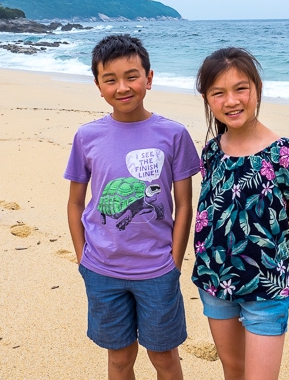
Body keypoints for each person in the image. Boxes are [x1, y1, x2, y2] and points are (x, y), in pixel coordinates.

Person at [65, 34, 200, 380]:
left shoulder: (173, 134)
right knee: (120, 358)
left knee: (164, 357)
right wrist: (83, 257)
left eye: (132, 76)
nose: (122, 87)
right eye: (110, 79)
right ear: (98, 85)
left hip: (157, 269)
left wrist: (174, 258)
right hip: (102, 268)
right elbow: (76, 202)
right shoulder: (87, 136)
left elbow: (184, 203)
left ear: (149, 78)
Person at [192, 47, 289, 380]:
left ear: (257, 91)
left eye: (240, 89)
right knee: (233, 369)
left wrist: (277, 269)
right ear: (207, 99)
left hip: (267, 291)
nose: (231, 100)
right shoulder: (211, 152)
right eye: (218, 92)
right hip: (214, 281)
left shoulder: (284, 154)